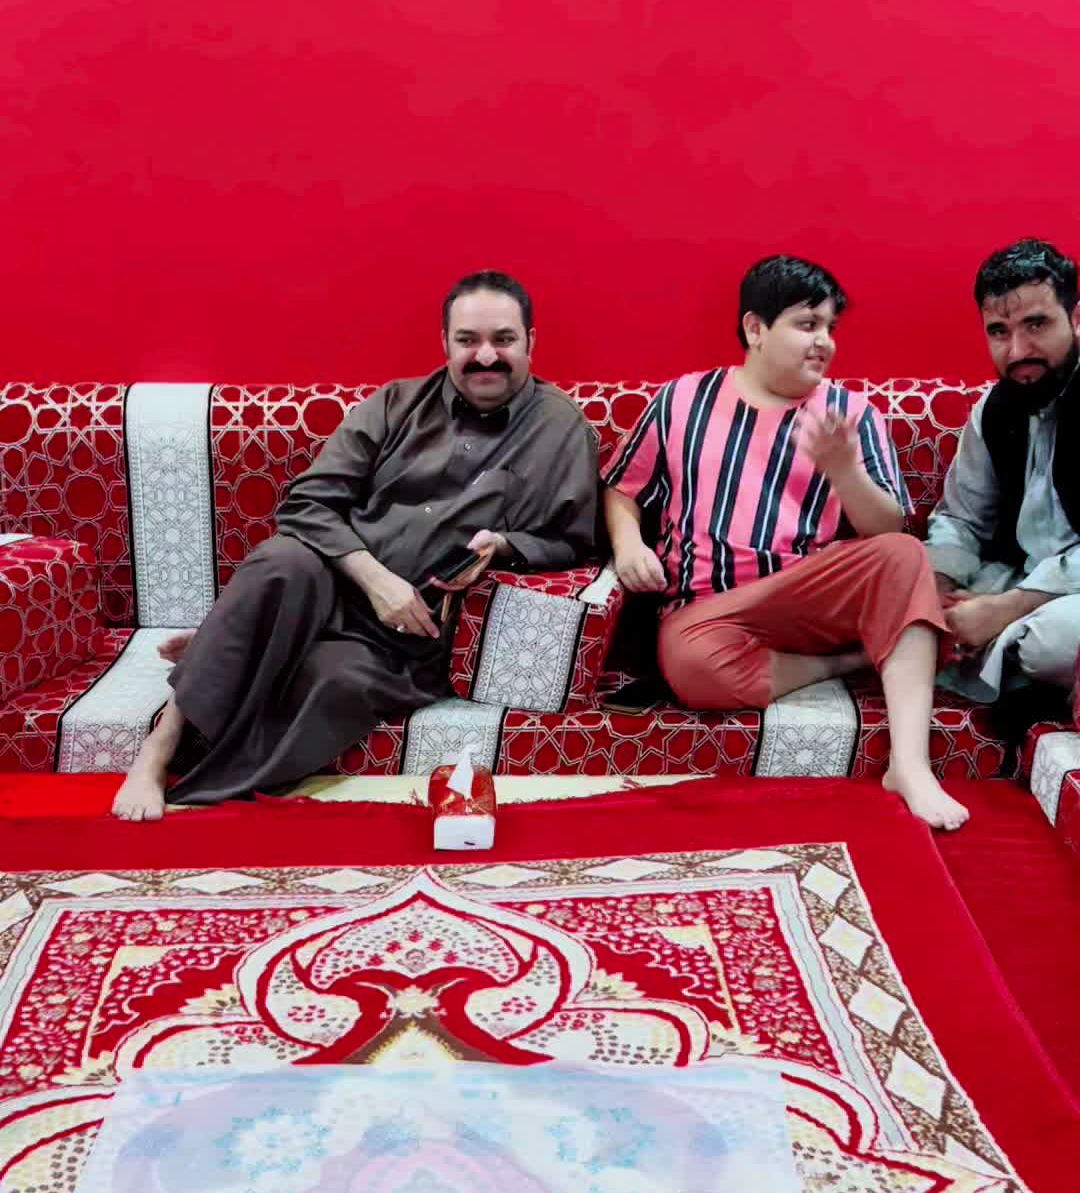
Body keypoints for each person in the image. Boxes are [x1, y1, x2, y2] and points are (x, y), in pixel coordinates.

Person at [113, 270, 599, 820]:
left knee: (335, 683)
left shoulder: (562, 428)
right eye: (468, 340)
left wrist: (505, 546)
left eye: (503, 339)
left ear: (530, 341)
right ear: (445, 343)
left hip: (408, 634)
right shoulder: (395, 403)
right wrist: (375, 578)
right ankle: (158, 749)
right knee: (281, 563)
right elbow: (306, 503)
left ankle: (241, 643)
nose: (486, 355)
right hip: (333, 581)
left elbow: (573, 541)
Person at [603, 254, 968, 830]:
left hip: (806, 595)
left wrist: (845, 471)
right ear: (755, 328)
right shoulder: (681, 400)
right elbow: (623, 488)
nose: (824, 342)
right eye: (807, 324)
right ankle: (854, 659)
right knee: (689, 665)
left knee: (904, 555)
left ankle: (911, 767)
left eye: (831, 328)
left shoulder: (850, 414)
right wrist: (628, 545)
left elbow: (888, 531)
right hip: (707, 612)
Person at [926, 239, 1080, 744]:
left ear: (1076, 318)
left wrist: (1007, 608)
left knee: (1049, 642)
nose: (1017, 352)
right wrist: (937, 590)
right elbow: (961, 518)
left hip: (1057, 598)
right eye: (999, 331)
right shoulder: (995, 410)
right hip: (1023, 580)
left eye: (1036, 325)